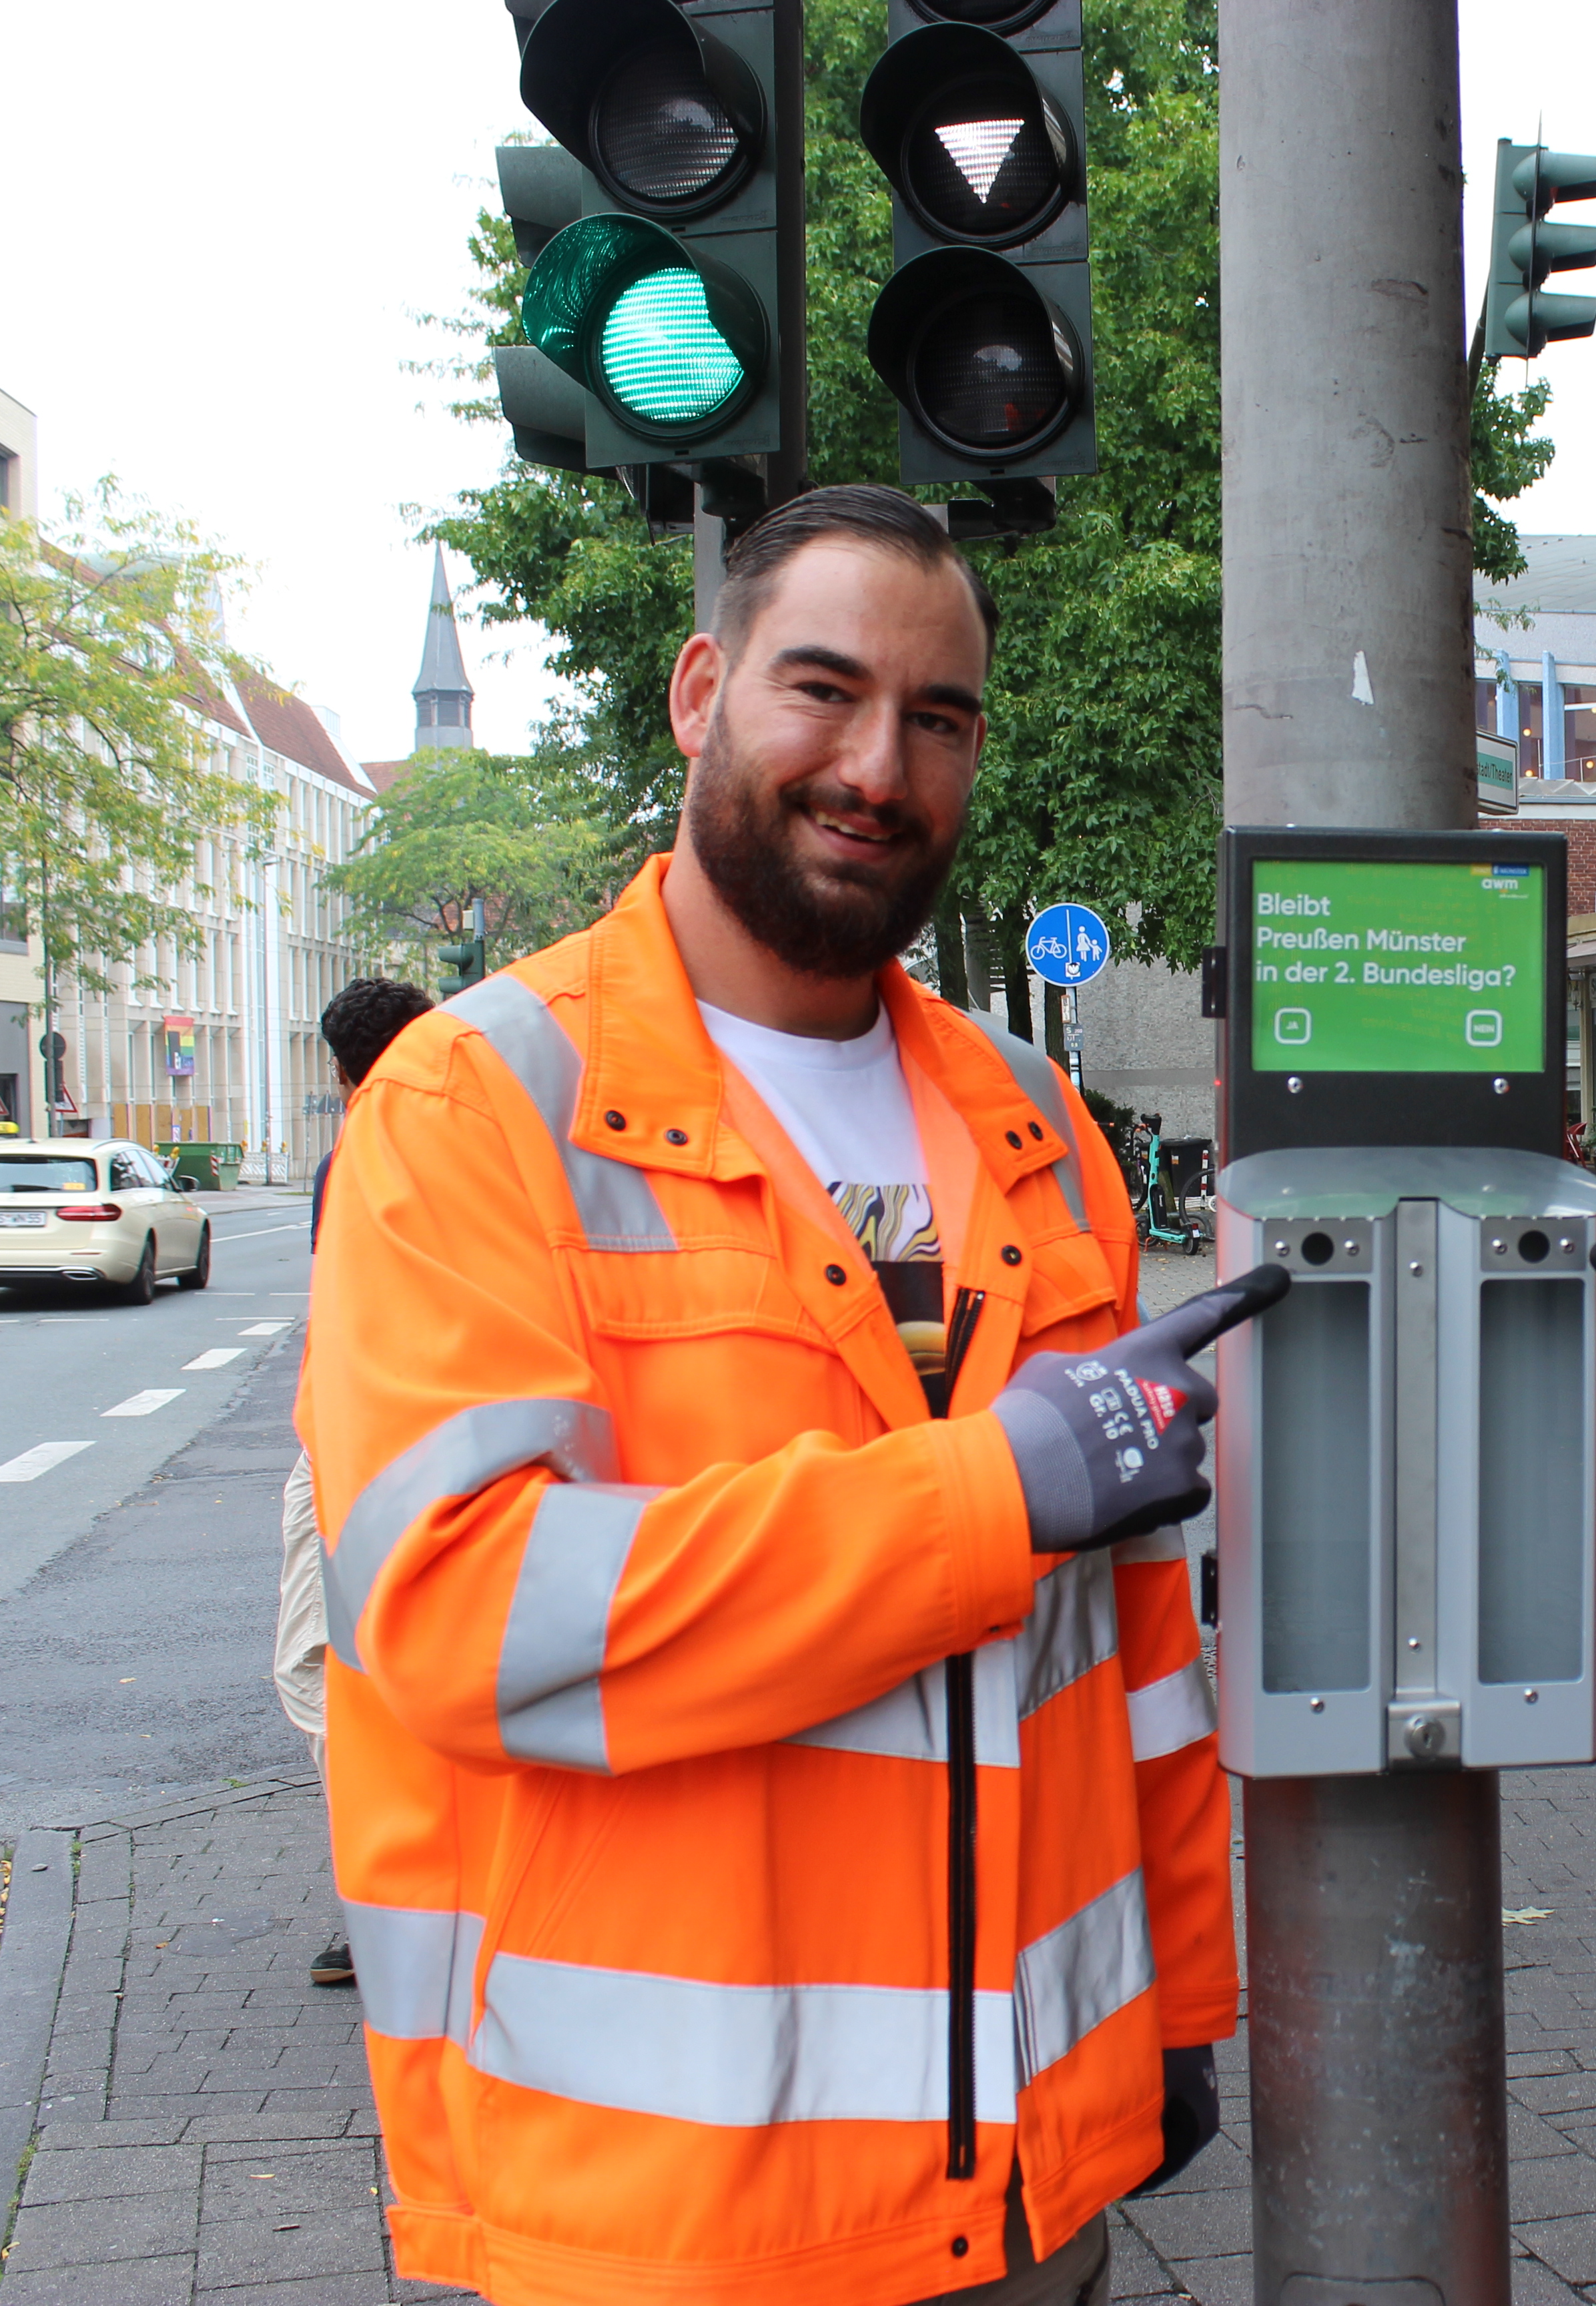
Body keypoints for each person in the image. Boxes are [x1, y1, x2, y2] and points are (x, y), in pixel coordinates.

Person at [300, 487, 1258, 2306]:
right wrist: (993, 1495)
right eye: (822, 690)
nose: (878, 766)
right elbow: (457, 1606)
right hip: (673, 2226)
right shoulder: (476, 1106)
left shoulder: (1039, 1129)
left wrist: (1180, 2009)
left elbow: (1137, 1642)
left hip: (1029, 2184)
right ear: (698, 692)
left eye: (940, 718)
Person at [275, 976, 435, 1990]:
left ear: (339, 1073)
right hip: (426, 1435)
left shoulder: (369, 1148)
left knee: (313, 1668)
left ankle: (399, 1895)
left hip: (357, 1445)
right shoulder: (470, 1129)